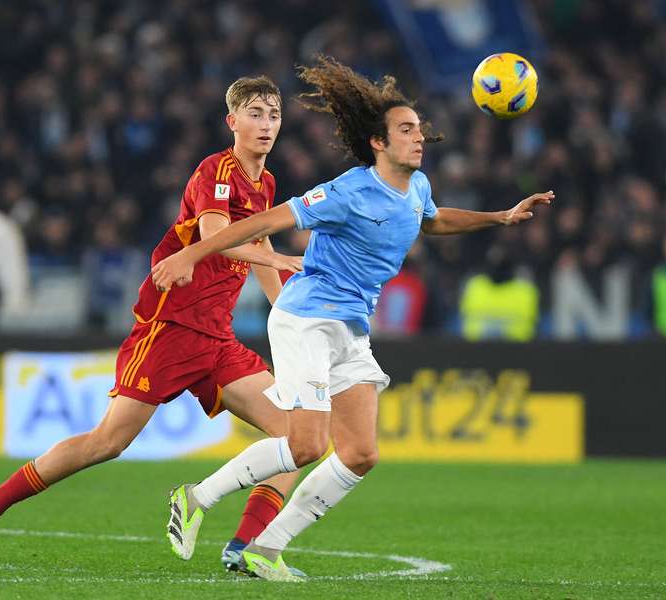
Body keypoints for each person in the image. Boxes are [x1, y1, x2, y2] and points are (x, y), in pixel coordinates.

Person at [153, 56, 554, 581]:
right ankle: (195, 497)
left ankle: (265, 549)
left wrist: (498, 217)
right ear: (378, 143)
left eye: (419, 129)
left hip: (351, 327)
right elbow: (266, 221)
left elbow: (433, 221)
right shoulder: (346, 191)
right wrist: (191, 255)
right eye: (406, 130)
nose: (419, 138)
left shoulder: (418, 187)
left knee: (361, 453)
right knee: (307, 446)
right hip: (306, 319)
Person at [0, 76, 307, 574]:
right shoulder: (216, 171)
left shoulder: (266, 184)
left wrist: (288, 317)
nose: (266, 124)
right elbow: (216, 238)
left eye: (273, 114)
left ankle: (246, 548)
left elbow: (263, 256)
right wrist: (285, 257)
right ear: (232, 122)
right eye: (254, 114)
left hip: (217, 338)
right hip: (171, 327)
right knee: (108, 443)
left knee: (298, 437)